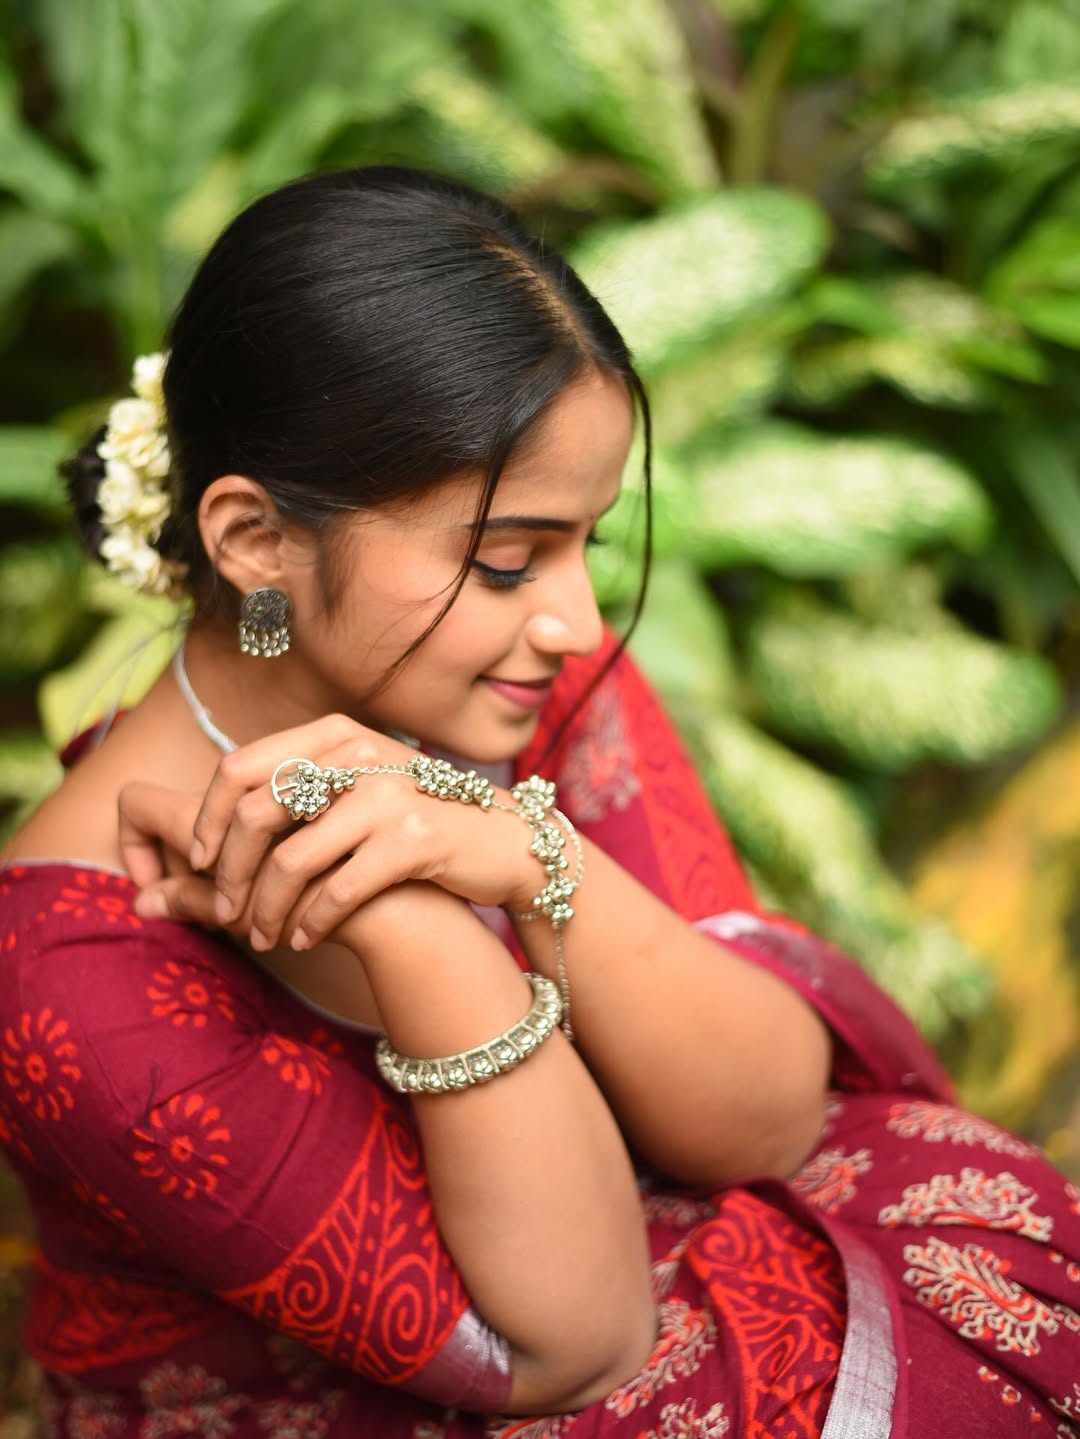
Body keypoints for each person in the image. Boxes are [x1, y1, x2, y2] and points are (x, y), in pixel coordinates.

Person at [1, 166, 1077, 1439]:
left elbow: (771, 1119)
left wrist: (524, 845)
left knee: (960, 1222)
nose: (569, 621)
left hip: (636, 1234)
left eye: (586, 545)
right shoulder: (70, 956)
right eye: (506, 560)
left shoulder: (516, 695)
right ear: (251, 541)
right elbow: (578, 1340)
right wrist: (408, 922)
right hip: (356, 1397)